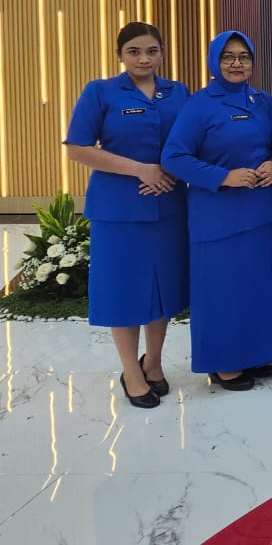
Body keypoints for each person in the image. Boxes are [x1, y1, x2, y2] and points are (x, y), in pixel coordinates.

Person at [64, 22, 190, 409]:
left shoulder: (177, 92)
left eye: (152, 51)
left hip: (168, 205)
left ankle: (153, 362)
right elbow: (77, 148)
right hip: (118, 209)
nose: (144, 59)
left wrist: (169, 171)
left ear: (162, 53)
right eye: (134, 51)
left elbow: (190, 142)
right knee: (124, 290)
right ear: (120, 54)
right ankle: (131, 372)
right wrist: (140, 170)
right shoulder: (100, 91)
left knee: (163, 287)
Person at [162, 31, 272, 391]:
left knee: (255, 289)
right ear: (214, 61)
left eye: (244, 57)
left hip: (257, 213)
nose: (236, 63)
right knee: (221, 293)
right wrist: (223, 177)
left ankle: (253, 354)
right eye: (228, 57)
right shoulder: (199, 105)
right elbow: (173, 157)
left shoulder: (262, 101)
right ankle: (223, 364)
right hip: (217, 216)